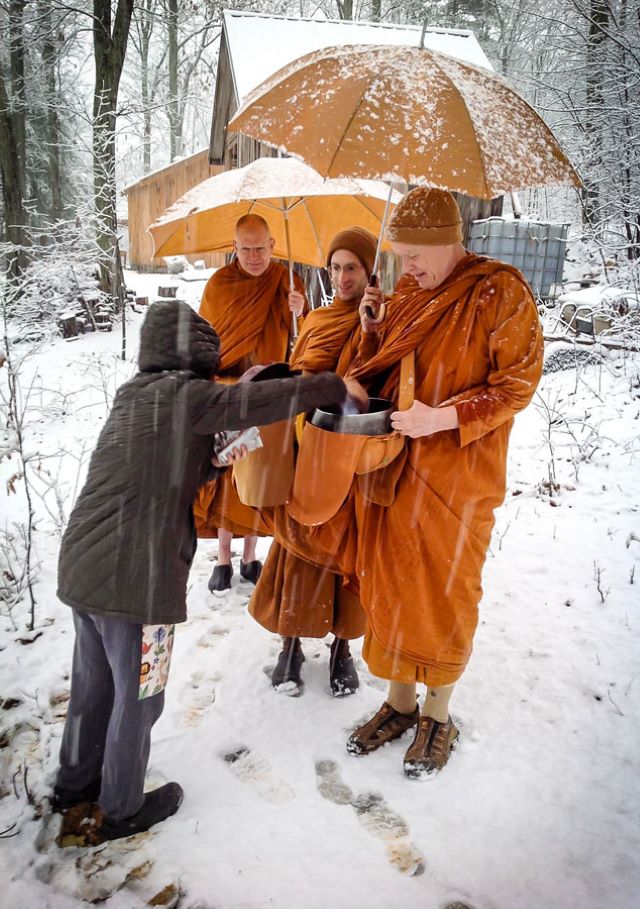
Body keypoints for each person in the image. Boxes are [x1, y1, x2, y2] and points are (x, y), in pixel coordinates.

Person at [52, 300, 366, 845]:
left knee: (93, 685)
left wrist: (212, 456)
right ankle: (122, 807)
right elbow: (262, 401)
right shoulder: (190, 396)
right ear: (198, 356)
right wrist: (332, 386)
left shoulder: (136, 395)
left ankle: (73, 785)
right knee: (140, 697)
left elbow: (166, 462)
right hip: (137, 580)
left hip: (83, 565)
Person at [273, 188, 544, 777]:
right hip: (394, 469)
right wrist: (373, 329)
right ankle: (398, 703)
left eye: (416, 254)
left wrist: (442, 417)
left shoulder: (499, 292)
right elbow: (381, 370)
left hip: (457, 476)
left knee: (444, 593)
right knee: (390, 586)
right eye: (400, 254)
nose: (407, 267)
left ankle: (438, 715)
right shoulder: (408, 293)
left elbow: (517, 386)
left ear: (452, 240)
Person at [249, 227, 377, 697]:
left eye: (352, 268)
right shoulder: (321, 317)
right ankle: (291, 643)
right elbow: (301, 368)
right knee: (299, 539)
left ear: (369, 271)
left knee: (348, 548)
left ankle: (344, 648)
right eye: (336, 268)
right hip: (306, 442)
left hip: (351, 447)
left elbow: (371, 379)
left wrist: (368, 332)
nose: (343, 277)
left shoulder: (383, 317)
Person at [194, 213, 306, 593]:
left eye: (261, 248)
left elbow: (306, 345)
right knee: (228, 476)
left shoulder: (289, 282)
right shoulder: (219, 285)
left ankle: (250, 556)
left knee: (262, 477)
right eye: (246, 249)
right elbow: (202, 345)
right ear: (234, 247)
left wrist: (300, 312)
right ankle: (224, 559)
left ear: (274, 246)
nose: (254, 256)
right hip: (228, 391)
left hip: (269, 394)